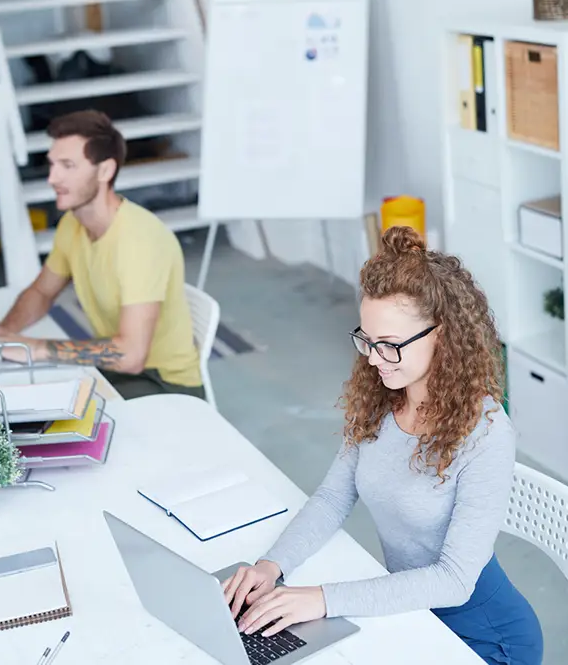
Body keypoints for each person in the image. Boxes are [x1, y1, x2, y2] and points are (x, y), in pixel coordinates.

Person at [223, 226, 543, 665]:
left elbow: (454, 579)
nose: (373, 359)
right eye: (367, 341)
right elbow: (335, 496)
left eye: (389, 346)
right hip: (411, 612)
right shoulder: (381, 399)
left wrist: (321, 599)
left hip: (485, 639)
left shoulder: (485, 432)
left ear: (442, 336)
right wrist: (271, 566)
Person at [0, 109, 204, 401]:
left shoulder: (139, 240)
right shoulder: (72, 224)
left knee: (44, 410)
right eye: (52, 165)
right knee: (25, 396)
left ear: (105, 171)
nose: (53, 178)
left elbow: (131, 356)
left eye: (68, 165)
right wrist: (3, 334)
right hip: (117, 371)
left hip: (165, 384)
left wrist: (36, 347)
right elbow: (42, 292)